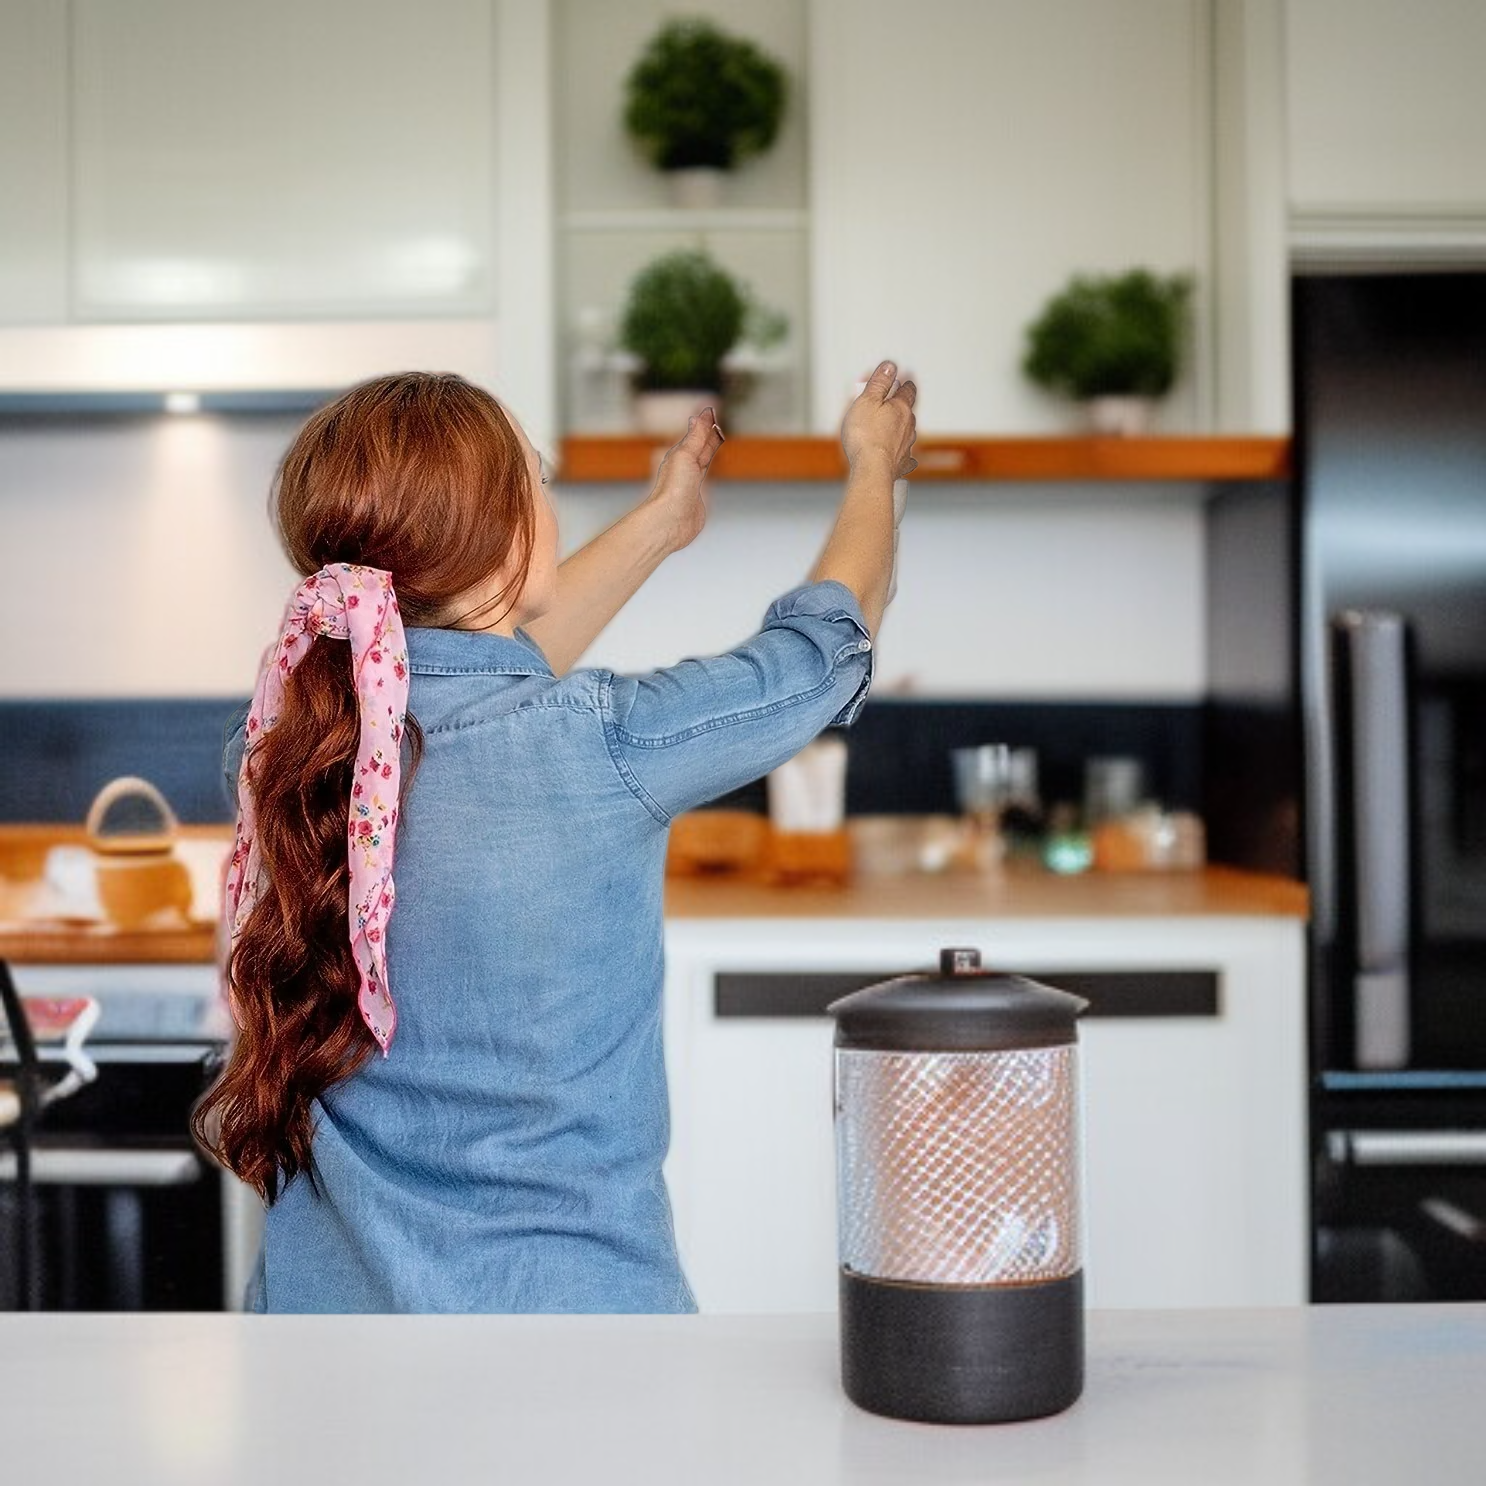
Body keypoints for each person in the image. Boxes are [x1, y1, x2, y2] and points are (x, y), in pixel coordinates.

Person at [193, 360, 918, 1312]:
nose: (550, 497)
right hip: (567, 1330)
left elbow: (481, 665)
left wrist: (663, 521)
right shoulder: (600, 744)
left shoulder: (296, 747)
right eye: (535, 477)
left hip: (326, 1327)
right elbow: (824, 653)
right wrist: (876, 467)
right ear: (501, 538)